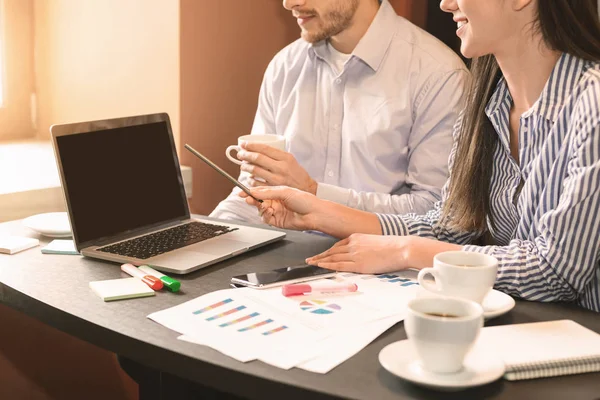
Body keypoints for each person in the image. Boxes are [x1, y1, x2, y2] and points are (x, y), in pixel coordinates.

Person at [241, 0, 600, 313]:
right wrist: (319, 209)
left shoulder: (592, 101)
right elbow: (453, 227)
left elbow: (556, 272)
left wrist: (406, 250)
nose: (446, 4)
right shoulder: (487, 101)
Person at [210, 0, 469, 223]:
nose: (289, 3)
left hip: (386, 271)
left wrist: (313, 193)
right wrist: (206, 236)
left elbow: (437, 211)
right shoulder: (284, 67)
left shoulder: (439, 75)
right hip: (285, 264)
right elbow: (252, 191)